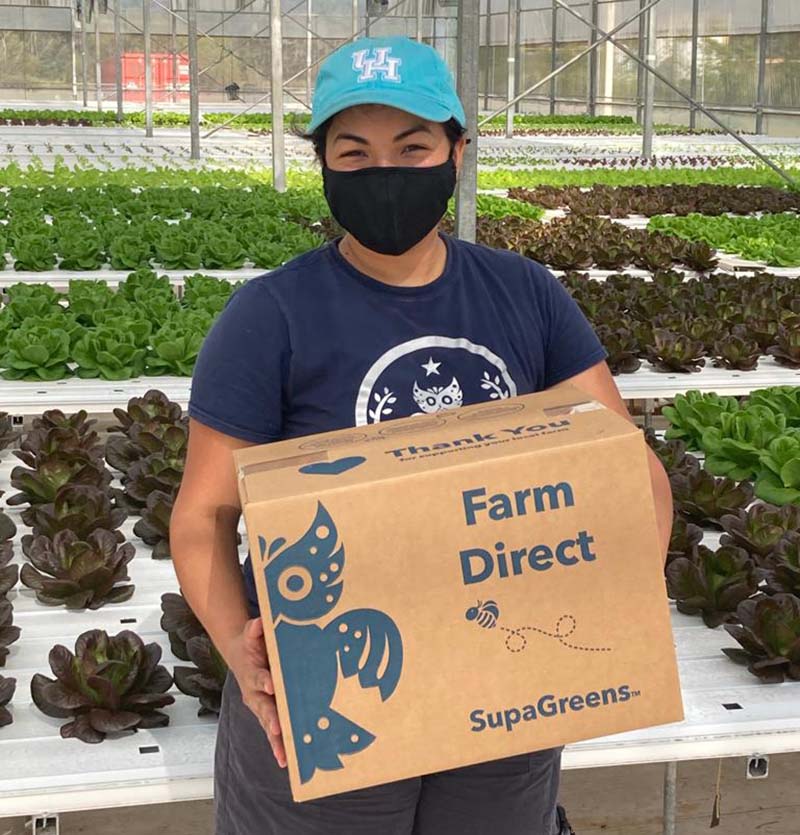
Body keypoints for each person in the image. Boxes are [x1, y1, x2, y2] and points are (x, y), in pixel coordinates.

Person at [171, 34, 673, 835]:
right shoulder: (269, 316)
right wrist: (243, 652)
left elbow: (628, 469)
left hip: (504, 691)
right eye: (354, 150)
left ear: (457, 151)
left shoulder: (525, 293)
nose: (386, 173)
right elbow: (202, 518)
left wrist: (611, 625)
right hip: (333, 701)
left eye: (412, 146)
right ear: (324, 163)